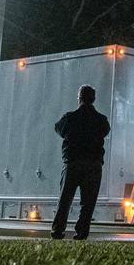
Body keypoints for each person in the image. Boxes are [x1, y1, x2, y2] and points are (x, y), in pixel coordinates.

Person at [50, 84, 110, 240]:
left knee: (65, 200)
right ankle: (81, 232)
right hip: (93, 164)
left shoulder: (69, 118)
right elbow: (105, 131)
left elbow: (58, 129)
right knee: (88, 203)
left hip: (73, 163)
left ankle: (58, 230)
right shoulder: (101, 120)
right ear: (94, 99)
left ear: (79, 98)